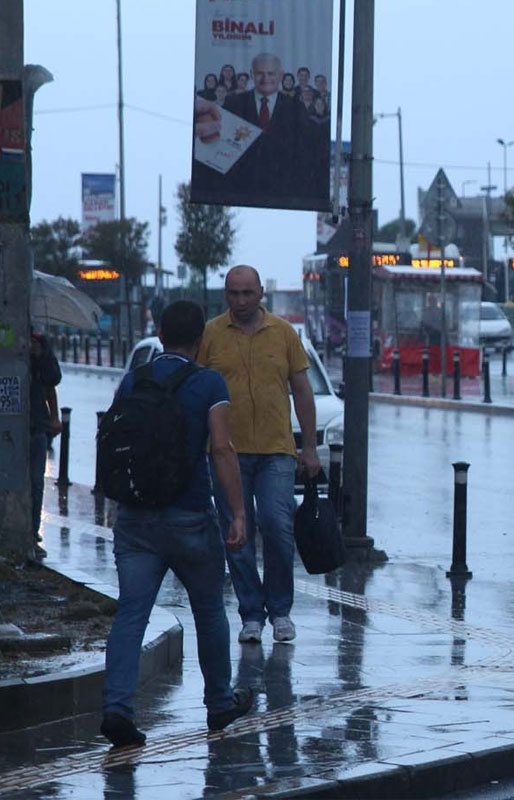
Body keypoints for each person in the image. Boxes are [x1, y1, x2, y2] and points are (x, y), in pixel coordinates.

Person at [100, 301, 253, 748]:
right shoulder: (209, 383)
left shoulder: (133, 380)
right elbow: (222, 450)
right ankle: (220, 704)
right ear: (200, 341)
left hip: (135, 519)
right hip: (189, 517)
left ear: (160, 335)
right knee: (208, 611)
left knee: (131, 614)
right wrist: (238, 512)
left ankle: (117, 708)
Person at [199, 265, 321, 645]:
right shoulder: (211, 335)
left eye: (247, 294)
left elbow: (302, 391)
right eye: (233, 294)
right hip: (226, 452)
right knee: (237, 534)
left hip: (276, 451)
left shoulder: (283, 334)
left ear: (261, 293)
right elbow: (197, 390)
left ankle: (280, 610)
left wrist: (311, 447)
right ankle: (251, 613)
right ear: (225, 295)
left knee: (278, 526)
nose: (240, 301)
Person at [193, 52, 327, 204]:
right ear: (251, 74)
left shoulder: (295, 108)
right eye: (259, 73)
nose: (265, 79)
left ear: (280, 75)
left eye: (271, 73)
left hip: (283, 193)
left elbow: (305, 152)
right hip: (240, 192)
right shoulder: (234, 103)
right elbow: (218, 148)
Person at [28, 331, 61, 561]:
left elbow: (51, 384)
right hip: (13, 429)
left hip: (36, 427)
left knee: (36, 483)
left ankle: (31, 534)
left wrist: (54, 417)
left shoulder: (41, 351)